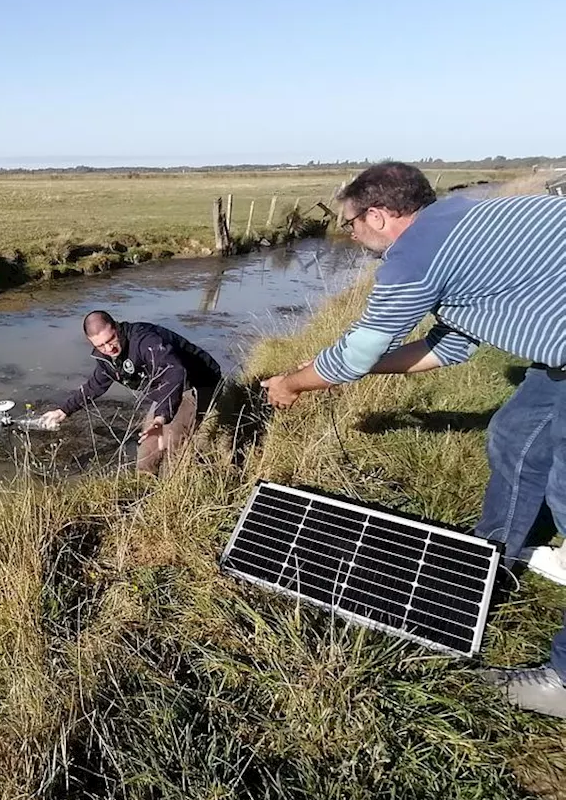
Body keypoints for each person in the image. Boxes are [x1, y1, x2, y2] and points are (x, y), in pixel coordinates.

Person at [259, 162, 566, 717]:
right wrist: (344, 368)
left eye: (350, 223)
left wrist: (291, 384)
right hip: (559, 359)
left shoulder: (414, 257)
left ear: (377, 215)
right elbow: (448, 346)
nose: (350, 235)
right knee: (516, 433)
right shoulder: (457, 217)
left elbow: (356, 354)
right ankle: (494, 560)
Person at [42, 311, 222, 472]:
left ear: (116, 328)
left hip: (197, 383)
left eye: (110, 339)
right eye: (100, 346)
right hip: (163, 391)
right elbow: (95, 385)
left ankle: (180, 489)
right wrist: (63, 410)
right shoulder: (107, 357)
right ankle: (146, 488)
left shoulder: (145, 341)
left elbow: (175, 372)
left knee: (172, 444)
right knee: (147, 453)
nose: (108, 349)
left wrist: (161, 418)